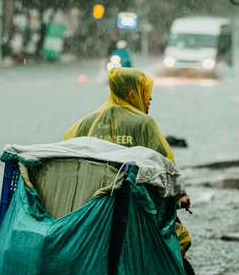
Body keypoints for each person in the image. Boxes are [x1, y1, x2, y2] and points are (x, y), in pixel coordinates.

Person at [64, 67, 191, 254]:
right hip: (133, 210)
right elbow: (165, 165)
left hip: (90, 209)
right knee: (181, 237)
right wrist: (179, 196)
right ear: (132, 94)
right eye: (146, 94)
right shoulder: (143, 124)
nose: (149, 100)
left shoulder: (87, 122)